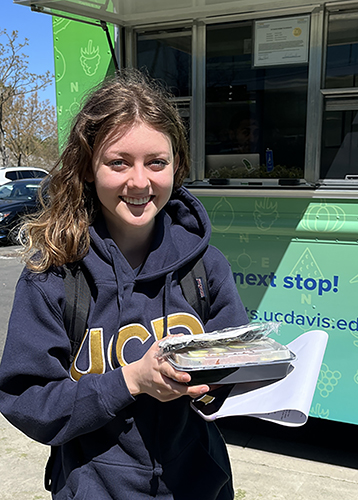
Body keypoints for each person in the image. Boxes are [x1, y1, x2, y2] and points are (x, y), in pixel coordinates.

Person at [0, 69, 248, 500]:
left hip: (199, 485)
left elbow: (229, 372)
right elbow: (28, 401)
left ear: (178, 165)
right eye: (118, 162)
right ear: (88, 167)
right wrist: (130, 380)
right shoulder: (53, 273)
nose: (139, 182)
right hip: (94, 488)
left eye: (157, 162)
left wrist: (224, 386)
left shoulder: (206, 265)